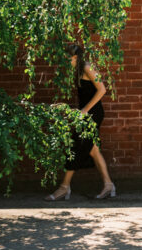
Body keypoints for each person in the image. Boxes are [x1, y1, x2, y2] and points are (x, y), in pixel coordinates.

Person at [45, 44, 116, 201]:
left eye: (67, 58)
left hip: (93, 114)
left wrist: (84, 110)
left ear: (75, 57)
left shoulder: (86, 67)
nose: (65, 61)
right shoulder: (77, 69)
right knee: (92, 149)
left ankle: (64, 187)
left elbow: (102, 89)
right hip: (86, 114)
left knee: (76, 146)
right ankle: (108, 184)